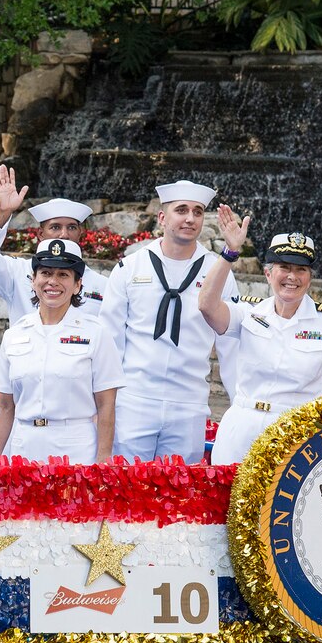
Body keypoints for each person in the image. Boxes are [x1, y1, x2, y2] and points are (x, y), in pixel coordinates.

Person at [198, 212, 322, 466]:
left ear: (309, 277)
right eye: (284, 267)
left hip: (297, 435)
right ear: (268, 274)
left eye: (301, 269)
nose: (292, 277)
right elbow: (207, 305)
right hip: (241, 426)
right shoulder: (248, 313)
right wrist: (230, 251)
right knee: (227, 503)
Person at [101, 180, 238, 463]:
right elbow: (110, 343)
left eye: (198, 212)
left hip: (188, 404)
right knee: (125, 492)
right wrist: (104, 406)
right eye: (182, 210)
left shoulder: (219, 271)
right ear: (163, 218)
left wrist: (240, 407)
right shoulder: (130, 267)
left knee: (179, 497)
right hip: (134, 400)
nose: (190, 218)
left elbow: (231, 348)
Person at [0, 239, 123, 463]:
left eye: (63, 275)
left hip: (76, 448)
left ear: (78, 284)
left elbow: (106, 404)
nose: (53, 281)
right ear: (33, 280)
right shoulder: (15, 334)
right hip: (24, 446)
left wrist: (103, 459)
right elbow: (3, 405)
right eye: (46, 273)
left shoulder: (96, 333)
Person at [0, 165, 108, 319]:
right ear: (40, 234)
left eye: (72, 227)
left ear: (80, 233)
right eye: (55, 227)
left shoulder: (103, 285)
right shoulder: (18, 273)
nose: (64, 234)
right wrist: (3, 212)